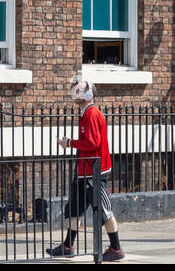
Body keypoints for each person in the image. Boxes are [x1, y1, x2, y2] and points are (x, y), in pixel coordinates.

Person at [47, 80, 125, 261]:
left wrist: (70, 143)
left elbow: (92, 143)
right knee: (74, 209)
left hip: (94, 173)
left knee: (104, 211)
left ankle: (116, 248)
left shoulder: (92, 114)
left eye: (80, 90)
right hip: (83, 171)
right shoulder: (85, 113)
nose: (76, 92)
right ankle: (67, 246)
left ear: (89, 95)